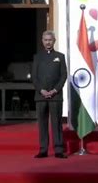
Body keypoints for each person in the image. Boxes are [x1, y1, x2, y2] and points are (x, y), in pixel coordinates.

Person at [31, 30, 67, 159]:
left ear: (54, 41)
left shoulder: (60, 56)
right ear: (42, 41)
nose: (48, 42)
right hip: (40, 96)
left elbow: (63, 76)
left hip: (56, 96)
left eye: (50, 40)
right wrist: (41, 90)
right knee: (42, 123)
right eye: (45, 40)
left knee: (56, 123)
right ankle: (43, 149)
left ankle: (58, 149)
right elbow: (34, 77)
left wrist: (55, 90)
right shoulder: (37, 57)